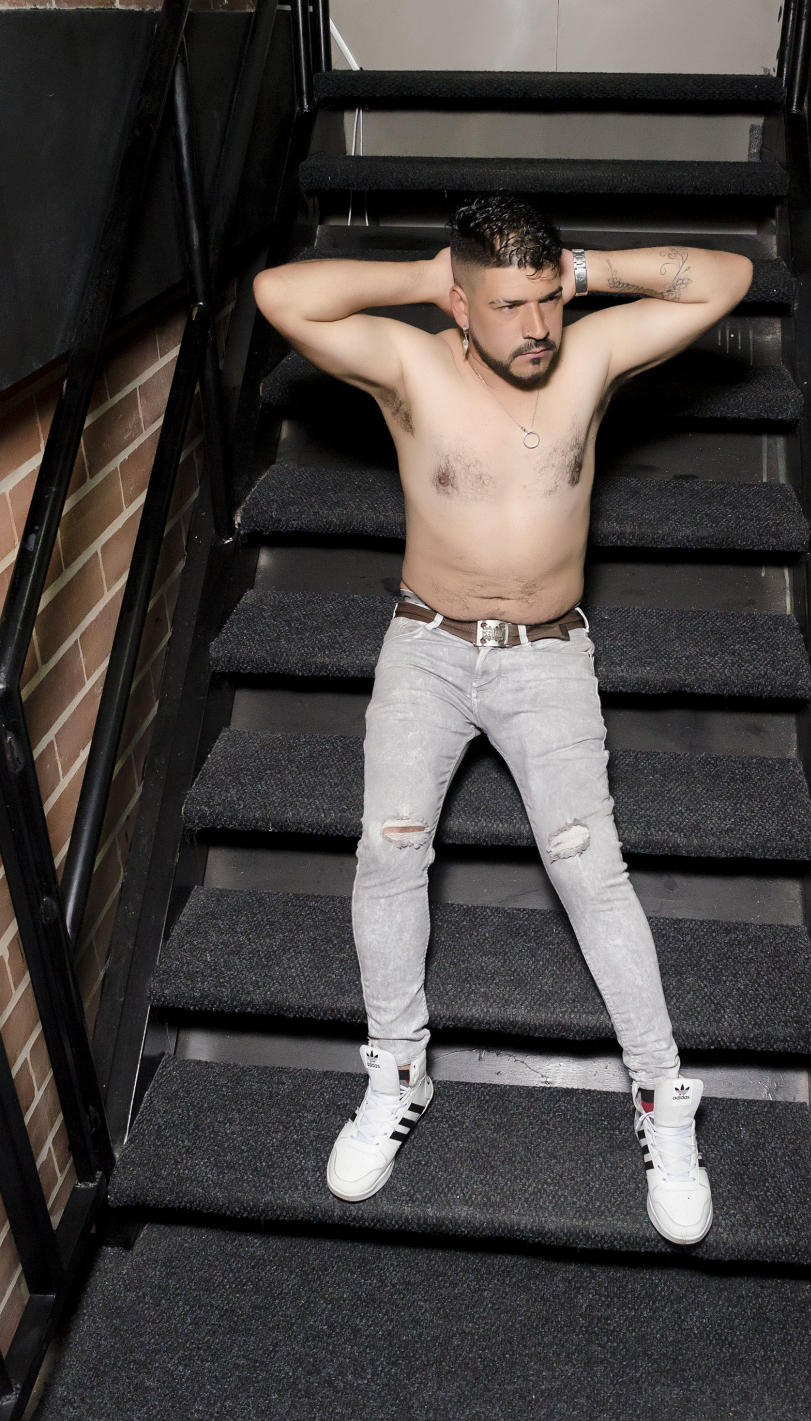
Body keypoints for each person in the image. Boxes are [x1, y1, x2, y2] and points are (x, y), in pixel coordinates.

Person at [253, 194, 752, 1245]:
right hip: (427, 649)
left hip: (546, 658)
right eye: (507, 306)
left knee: (588, 867)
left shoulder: (587, 353)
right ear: (459, 303)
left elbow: (726, 278)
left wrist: (585, 273)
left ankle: (661, 1097)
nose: (535, 329)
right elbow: (278, 294)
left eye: (545, 301)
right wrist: (423, 277)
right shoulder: (412, 366)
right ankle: (397, 1073)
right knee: (388, 851)